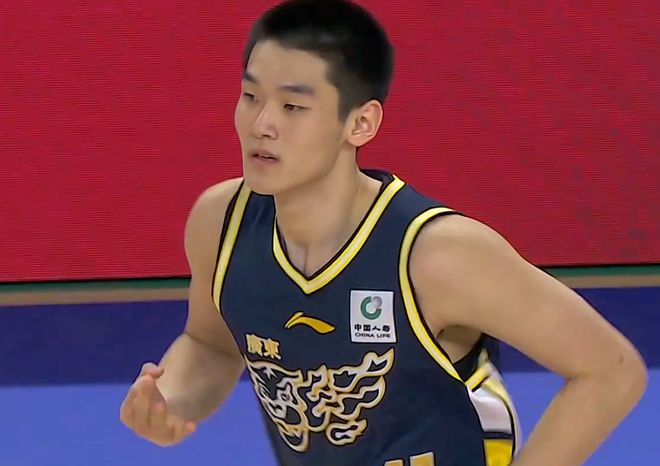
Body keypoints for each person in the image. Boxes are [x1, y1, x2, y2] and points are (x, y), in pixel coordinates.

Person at [119, 1, 647, 464]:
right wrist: (173, 402)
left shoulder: (437, 255)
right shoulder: (221, 223)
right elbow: (211, 343)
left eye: (293, 106)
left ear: (361, 124)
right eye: (251, 96)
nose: (261, 125)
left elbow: (612, 370)